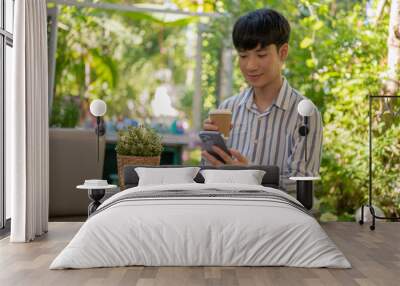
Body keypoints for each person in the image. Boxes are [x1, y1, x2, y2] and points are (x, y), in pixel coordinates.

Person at [202, 8, 323, 192]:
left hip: (278, 216)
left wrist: (251, 176)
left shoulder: (305, 114)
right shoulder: (228, 109)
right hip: (230, 212)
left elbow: (301, 185)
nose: (250, 65)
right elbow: (208, 177)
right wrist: (211, 148)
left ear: (282, 53)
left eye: (261, 55)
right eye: (243, 56)